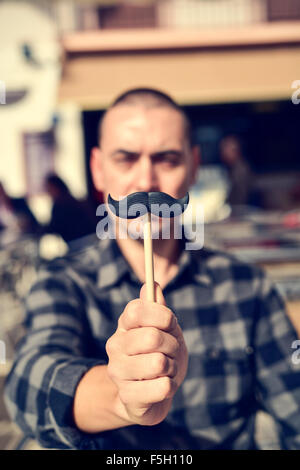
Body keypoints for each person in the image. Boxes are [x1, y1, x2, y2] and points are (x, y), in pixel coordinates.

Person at [4, 88, 300, 450]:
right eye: (126, 159)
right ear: (98, 170)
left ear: (192, 167)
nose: (146, 182)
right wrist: (120, 397)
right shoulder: (64, 282)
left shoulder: (245, 285)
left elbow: (293, 401)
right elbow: (29, 383)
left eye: (167, 159)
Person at [43, 174, 97, 246]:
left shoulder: (60, 204)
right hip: (90, 240)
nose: (48, 192)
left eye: (49, 188)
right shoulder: (71, 200)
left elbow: (54, 226)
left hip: (79, 245)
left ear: (56, 187)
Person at [219, 135, 254, 210]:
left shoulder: (241, 170)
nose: (223, 152)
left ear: (236, 151)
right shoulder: (228, 168)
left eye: (226, 149)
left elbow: (240, 196)